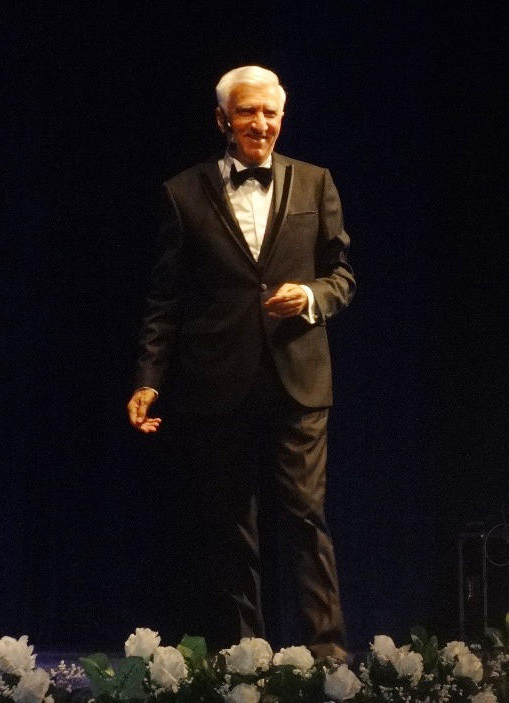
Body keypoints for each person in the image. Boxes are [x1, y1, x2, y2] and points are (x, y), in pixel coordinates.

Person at [126, 65, 354, 658]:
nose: (260, 123)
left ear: (282, 118)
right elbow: (165, 299)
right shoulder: (182, 192)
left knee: (306, 515)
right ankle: (246, 658)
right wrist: (149, 379)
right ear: (222, 119)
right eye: (247, 112)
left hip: (298, 376)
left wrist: (309, 297)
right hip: (217, 379)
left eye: (270, 113)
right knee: (232, 525)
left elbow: (342, 276)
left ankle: (329, 657)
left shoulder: (316, 182)